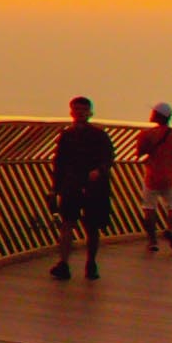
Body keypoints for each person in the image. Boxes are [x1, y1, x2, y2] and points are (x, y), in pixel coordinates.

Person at [49, 94, 114, 280]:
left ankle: (89, 262)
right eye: (77, 110)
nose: (79, 113)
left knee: (90, 226)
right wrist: (55, 188)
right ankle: (65, 263)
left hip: (92, 186)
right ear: (72, 112)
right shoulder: (67, 136)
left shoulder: (98, 136)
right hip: (73, 184)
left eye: (83, 110)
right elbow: (59, 163)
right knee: (68, 224)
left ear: (89, 113)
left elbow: (107, 159)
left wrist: (99, 171)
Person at [133, 101, 172, 253]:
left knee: (149, 207)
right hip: (171, 177)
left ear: (157, 115)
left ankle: (152, 241)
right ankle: (171, 231)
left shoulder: (146, 134)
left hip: (152, 176)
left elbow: (139, 153)